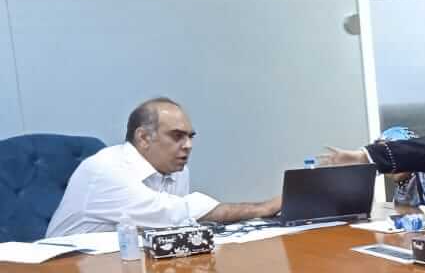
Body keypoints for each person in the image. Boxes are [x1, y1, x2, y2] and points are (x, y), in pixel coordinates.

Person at [46, 98, 281, 237]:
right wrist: (265, 207)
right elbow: (175, 214)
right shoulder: (105, 170)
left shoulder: (177, 171)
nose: (188, 145)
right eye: (177, 136)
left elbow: (172, 230)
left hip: (125, 267)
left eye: (190, 137)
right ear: (143, 138)